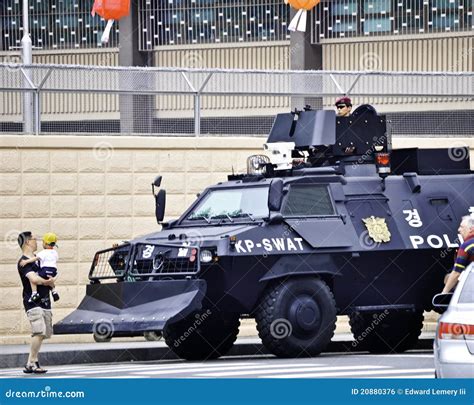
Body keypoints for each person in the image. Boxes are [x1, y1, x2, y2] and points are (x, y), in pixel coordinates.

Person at [17, 231, 56, 374]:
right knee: (39, 331)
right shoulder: (23, 262)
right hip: (32, 302)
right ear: (27, 241)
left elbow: (51, 273)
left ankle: (33, 362)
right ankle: (31, 363)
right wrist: (48, 282)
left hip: (45, 300)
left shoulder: (40, 258)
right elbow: (34, 279)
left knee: (43, 333)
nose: (37, 241)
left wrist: (51, 282)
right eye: (34, 239)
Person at [20, 233, 60, 303]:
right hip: (53, 271)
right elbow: (56, 259)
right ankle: (54, 291)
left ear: (46, 243)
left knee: (33, 277)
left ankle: (34, 293)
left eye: (43, 242)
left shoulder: (43, 252)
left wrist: (26, 261)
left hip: (45, 270)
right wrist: (50, 281)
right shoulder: (55, 252)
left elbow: (35, 258)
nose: (41, 244)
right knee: (49, 278)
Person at [442, 215, 474, 293]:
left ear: (471, 229)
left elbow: (456, 273)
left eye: (461, 227)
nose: (459, 230)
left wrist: (443, 293)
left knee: (449, 278)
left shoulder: (466, 246)